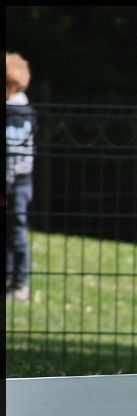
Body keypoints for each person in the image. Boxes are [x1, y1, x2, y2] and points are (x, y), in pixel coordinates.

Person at [6, 51, 35, 303]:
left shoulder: (15, 115)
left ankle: (20, 282)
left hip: (15, 184)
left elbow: (13, 154)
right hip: (15, 182)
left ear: (11, 85)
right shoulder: (22, 111)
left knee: (15, 231)